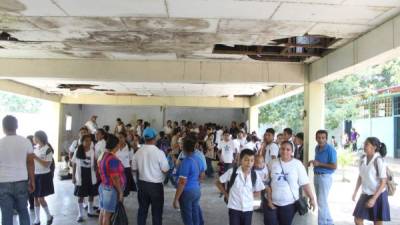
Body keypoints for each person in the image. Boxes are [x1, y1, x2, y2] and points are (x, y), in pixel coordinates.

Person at [265, 141, 316, 225]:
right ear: (279, 150)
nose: (285, 151)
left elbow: (305, 184)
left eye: (288, 149)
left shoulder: (297, 164)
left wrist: (312, 199)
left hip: (289, 204)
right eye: (282, 149)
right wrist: (268, 199)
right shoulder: (272, 163)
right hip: (271, 202)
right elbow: (266, 181)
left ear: (292, 151)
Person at [0, 115, 35, 225]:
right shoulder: (26, 142)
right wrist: (32, 181)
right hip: (21, 181)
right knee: (23, 211)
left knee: (6, 214)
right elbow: (30, 163)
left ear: (3, 127)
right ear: (17, 126)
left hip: (3, 182)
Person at [216, 149, 265, 225]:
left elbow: (259, 190)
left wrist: (250, 196)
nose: (249, 163)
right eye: (246, 160)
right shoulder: (232, 172)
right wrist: (226, 194)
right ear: (240, 160)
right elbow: (218, 182)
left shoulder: (254, 175)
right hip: (234, 208)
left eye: (252, 160)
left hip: (248, 209)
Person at [132, 127, 170, 225]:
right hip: (156, 187)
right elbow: (165, 170)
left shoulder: (138, 152)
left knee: (142, 211)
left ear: (144, 138)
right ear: (155, 138)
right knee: (157, 213)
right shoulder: (159, 153)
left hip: (142, 186)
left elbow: (134, 169)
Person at [352, 137, 390, 225]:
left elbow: (383, 182)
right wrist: (355, 192)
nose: (364, 146)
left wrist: (374, 198)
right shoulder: (362, 159)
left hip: (378, 195)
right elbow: (360, 176)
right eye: (364, 144)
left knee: (377, 222)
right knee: (357, 220)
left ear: (374, 147)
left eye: (367, 144)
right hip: (365, 194)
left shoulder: (379, 160)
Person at [173, 135, 206, 225]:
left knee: (187, 216)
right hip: (196, 191)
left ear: (183, 148)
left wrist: (176, 199)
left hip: (187, 192)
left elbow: (182, 182)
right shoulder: (198, 159)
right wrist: (196, 183)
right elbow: (202, 175)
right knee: (195, 214)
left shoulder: (186, 162)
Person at [308, 130, 337, 225]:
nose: (321, 140)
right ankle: (329, 222)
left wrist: (319, 163)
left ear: (326, 139)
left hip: (325, 178)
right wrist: (313, 161)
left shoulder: (330, 149)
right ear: (316, 138)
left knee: (321, 203)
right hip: (317, 176)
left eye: (323, 138)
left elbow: (334, 166)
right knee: (322, 202)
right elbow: (319, 162)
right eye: (319, 138)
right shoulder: (317, 148)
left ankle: (322, 223)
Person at [98, 134, 126, 225]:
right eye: (118, 144)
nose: (119, 146)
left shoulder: (103, 155)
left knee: (103, 212)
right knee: (107, 215)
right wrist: (120, 192)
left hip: (103, 186)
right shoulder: (112, 159)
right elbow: (115, 178)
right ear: (116, 145)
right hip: (110, 189)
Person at [72, 134, 98, 222]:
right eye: (86, 140)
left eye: (90, 140)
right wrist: (73, 176)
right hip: (81, 175)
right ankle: (80, 214)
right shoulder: (78, 150)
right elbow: (74, 163)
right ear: (82, 141)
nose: (88, 142)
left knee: (91, 194)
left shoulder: (92, 151)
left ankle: (90, 211)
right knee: (81, 196)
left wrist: (97, 173)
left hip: (90, 175)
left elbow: (95, 163)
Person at [32, 131, 55, 225]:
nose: (33, 139)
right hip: (35, 175)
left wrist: (36, 158)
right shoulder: (35, 148)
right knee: (35, 198)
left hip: (44, 176)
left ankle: (49, 215)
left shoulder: (47, 149)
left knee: (41, 198)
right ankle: (37, 219)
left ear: (39, 138)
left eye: (34, 137)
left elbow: (47, 164)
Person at [115, 132, 137, 196]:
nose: (119, 139)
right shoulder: (115, 148)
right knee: (116, 188)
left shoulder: (130, 148)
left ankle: (120, 204)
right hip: (116, 170)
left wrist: (130, 171)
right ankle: (117, 204)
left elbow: (130, 161)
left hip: (126, 170)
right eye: (118, 137)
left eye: (121, 137)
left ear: (125, 138)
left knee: (124, 189)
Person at [26, 135, 36, 210]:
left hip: (34, 171)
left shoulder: (35, 149)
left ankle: (32, 204)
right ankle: (31, 204)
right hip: (28, 171)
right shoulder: (26, 150)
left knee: (31, 188)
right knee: (29, 188)